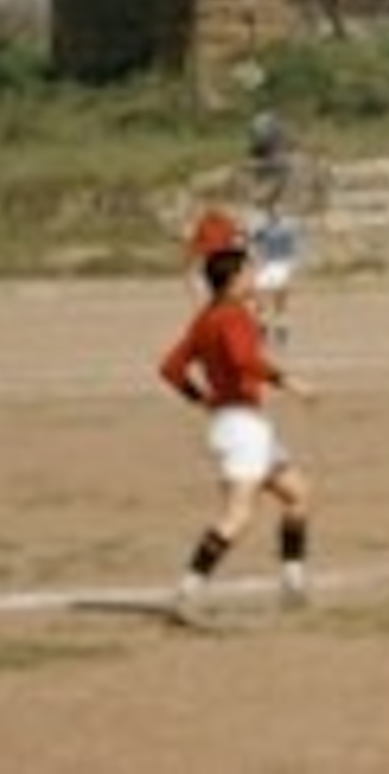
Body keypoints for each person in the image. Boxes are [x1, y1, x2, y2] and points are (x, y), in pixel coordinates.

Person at [156, 244, 316, 624]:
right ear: (232, 279)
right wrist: (288, 381)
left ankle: (292, 584)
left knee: (298, 494)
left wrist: (202, 399)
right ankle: (187, 592)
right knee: (238, 515)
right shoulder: (233, 315)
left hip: (239, 423)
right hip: (244, 428)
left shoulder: (207, 317)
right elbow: (244, 359)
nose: (254, 277)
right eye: (248, 272)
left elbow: (171, 368)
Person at [247, 206, 302, 347]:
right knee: (260, 299)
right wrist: (254, 258)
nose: (275, 214)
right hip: (266, 265)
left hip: (281, 265)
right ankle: (262, 327)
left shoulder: (287, 229)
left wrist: (292, 265)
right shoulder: (263, 228)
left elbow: (294, 248)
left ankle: (281, 329)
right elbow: (252, 241)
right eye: (272, 211)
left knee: (280, 300)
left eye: (278, 211)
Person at [185, 201, 247, 305]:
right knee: (203, 293)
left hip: (221, 262)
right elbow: (192, 245)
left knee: (218, 293)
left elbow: (236, 242)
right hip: (208, 260)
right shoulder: (203, 223)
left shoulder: (226, 223)